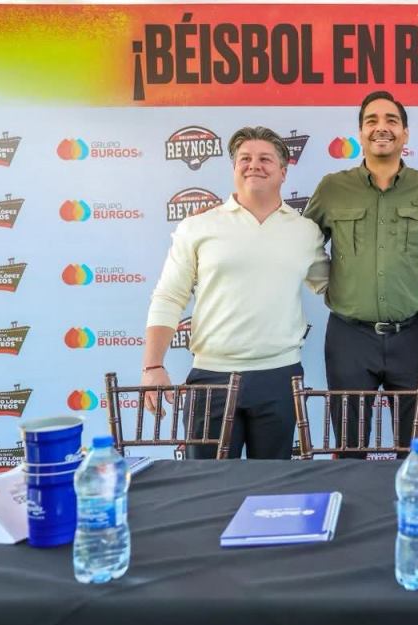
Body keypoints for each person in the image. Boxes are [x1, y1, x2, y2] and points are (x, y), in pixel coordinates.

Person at [140, 126, 329, 459]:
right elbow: (169, 296)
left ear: (283, 171)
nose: (254, 165)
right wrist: (152, 365)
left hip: (280, 376)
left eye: (265, 159)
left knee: (272, 485)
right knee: (208, 483)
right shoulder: (198, 226)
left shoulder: (305, 231)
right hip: (211, 378)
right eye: (245, 158)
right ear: (234, 168)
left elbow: (332, 285)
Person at [304, 91, 418, 455]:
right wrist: (324, 284)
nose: (381, 127)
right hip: (349, 339)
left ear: (405, 134)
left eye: (391, 120)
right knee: (350, 448)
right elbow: (302, 242)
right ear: (360, 133)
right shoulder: (333, 188)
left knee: (414, 450)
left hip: (412, 337)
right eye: (371, 121)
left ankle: (410, 496)